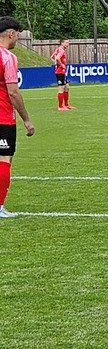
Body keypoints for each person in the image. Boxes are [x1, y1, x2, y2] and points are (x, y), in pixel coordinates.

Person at [0, 17, 36, 218]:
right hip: (3, 117)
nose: (16, 41)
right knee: (4, 159)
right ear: (11, 34)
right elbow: (13, 92)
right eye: (17, 36)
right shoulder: (7, 57)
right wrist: (27, 120)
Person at [52, 39, 76, 110]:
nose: (68, 44)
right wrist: (61, 65)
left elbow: (52, 57)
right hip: (60, 72)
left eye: (68, 43)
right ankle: (60, 107)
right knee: (61, 88)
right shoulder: (61, 50)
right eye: (66, 42)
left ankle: (66, 105)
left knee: (67, 87)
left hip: (62, 72)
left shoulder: (58, 50)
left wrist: (56, 63)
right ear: (62, 43)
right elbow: (57, 58)